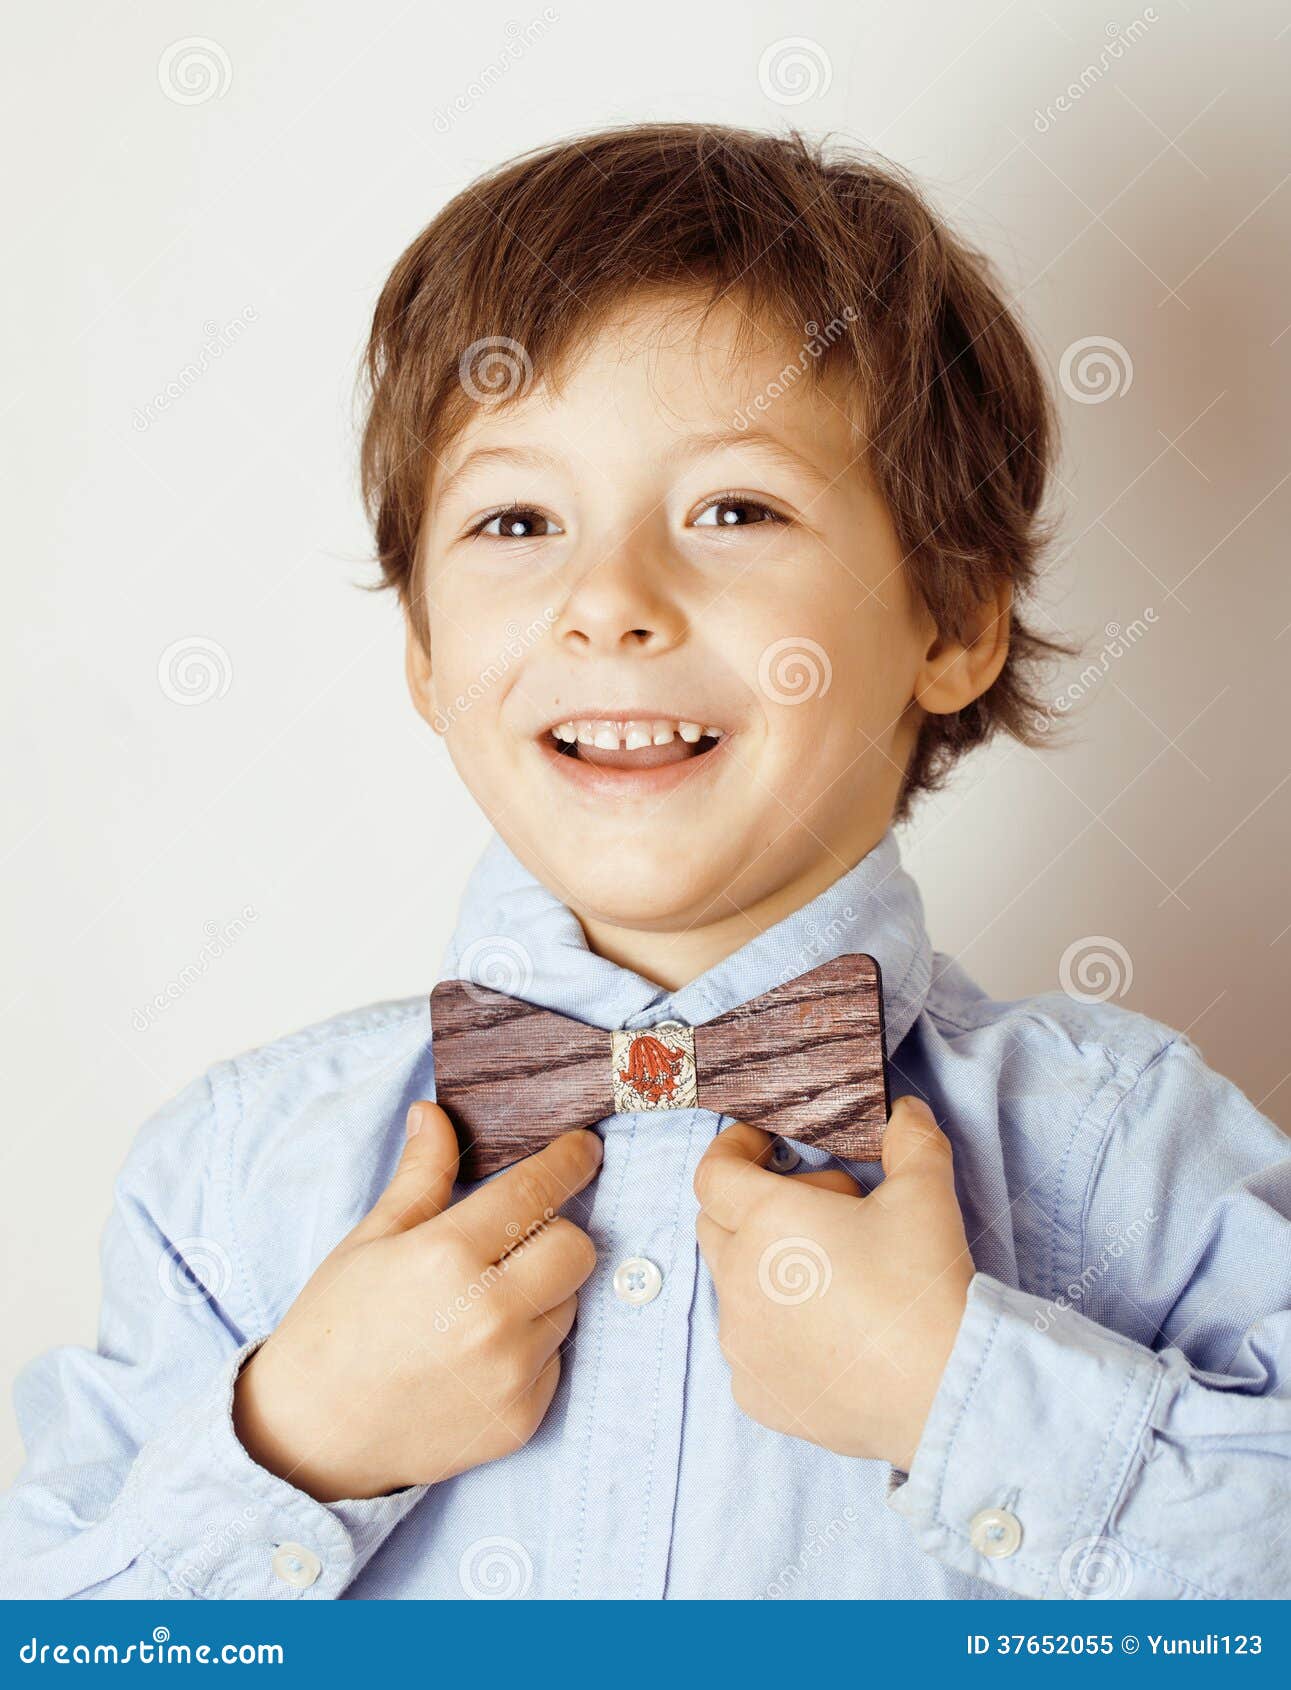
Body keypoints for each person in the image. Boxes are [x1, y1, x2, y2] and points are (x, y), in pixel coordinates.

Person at [4, 124, 1287, 1601]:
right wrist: (293, 1448)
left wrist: (965, 1396)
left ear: (950, 622)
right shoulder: (229, 1177)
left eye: (734, 510)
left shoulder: (1133, 1151)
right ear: (424, 649)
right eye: (517, 520)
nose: (607, 600)